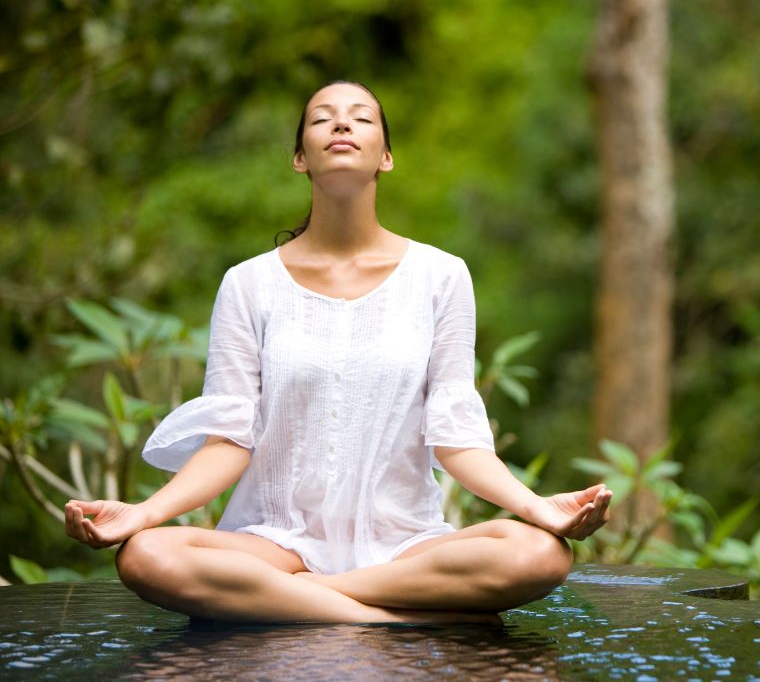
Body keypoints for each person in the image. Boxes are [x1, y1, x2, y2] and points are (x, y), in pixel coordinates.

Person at [63, 80, 612, 624]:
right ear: (301, 158)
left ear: (386, 157)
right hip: (274, 543)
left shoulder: (442, 276)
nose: (342, 124)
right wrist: (143, 513)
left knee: (539, 554)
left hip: (403, 545)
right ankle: (390, 621)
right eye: (323, 117)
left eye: (361, 117)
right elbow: (228, 440)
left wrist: (538, 508)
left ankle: (308, 598)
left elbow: (456, 439)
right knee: (145, 555)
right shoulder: (248, 284)